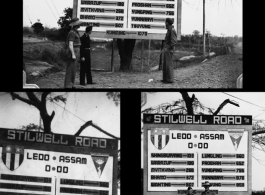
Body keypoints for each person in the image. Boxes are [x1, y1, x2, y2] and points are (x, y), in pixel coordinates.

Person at [64, 18, 83, 88]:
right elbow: (70, 44)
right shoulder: (72, 32)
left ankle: (71, 84)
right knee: (70, 69)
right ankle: (67, 86)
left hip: (76, 50)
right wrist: (73, 54)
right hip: (73, 51)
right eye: (78, 24)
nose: (79, 25)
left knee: (74, 69)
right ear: (75, 24)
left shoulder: (75, 32)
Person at [162, 18, 178, 83]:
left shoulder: (172, 30)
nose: (165, 23)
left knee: (168, 64)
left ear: (168, 23)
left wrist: (168, 47)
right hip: (166, 49)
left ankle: (170, 80)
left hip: (169, 50)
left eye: (166, 22)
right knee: (165, 64)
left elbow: (174, 42)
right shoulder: (169, 30)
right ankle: (166, 79)